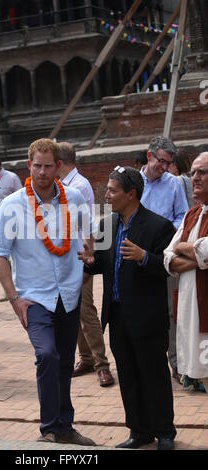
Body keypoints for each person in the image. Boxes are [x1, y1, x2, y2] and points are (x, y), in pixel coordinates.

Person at [0, 138, 96, 445]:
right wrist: (13, 298)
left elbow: (90, 236)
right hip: (33, 297)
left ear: (59, 167)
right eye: (37, 165)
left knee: (64, 360)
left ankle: (65, 426)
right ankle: (49, 428)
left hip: (69, 293)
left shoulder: (74, 198)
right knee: (47, 355)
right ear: (29, 165)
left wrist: (88, 258)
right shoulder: (13, 205)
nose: (43, 172)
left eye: (49, 166)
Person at [81, 166, 177, 450]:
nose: (107, 195)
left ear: (131, 194)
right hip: (118, 315)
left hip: (148, 317)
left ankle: (165, 432)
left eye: (112, 190)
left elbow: (170, 269)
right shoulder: (107, 225)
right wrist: (90, 261)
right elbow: (102, 264)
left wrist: (145, 257)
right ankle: (139, 430)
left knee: (154, 375)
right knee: (129, 375)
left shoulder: (159, 227)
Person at [58, 141, 114, 387]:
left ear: (59, 162)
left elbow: (85, 225)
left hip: (81, 254)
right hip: (64, 254)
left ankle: (102, 364)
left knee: (85, 308)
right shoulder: (60, 186)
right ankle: (86, 357)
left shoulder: (78, 186)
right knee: (72, 307)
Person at [140, 136, 189, 383]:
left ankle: (176, 364)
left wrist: (168, 234)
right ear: (149, 156)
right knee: (139, 309)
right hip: (135, 256)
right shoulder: (132, 181)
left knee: (170, 311)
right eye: (161, 161)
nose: (165, 167)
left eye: (169, 163)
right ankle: (144, 362)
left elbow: (182, 215)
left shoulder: (173, 184)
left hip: (164, 254)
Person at [164, 152, 208, 394]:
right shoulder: (192, 214)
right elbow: (168, 256)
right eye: (193, 172)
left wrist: (184, 248)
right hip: (191, 312)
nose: (195, 178)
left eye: (202, 172)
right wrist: (196, 256)